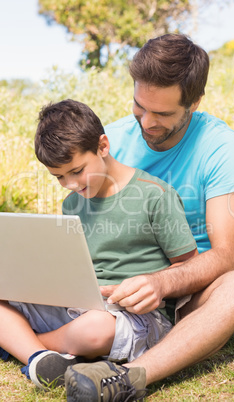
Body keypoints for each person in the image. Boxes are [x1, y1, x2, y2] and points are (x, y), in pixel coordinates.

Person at [63, 34, 234, 401]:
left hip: (190, 289)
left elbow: (226, 256)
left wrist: (160, 283)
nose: (148, 122)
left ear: (194, 102)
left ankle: (126, 379)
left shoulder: (219, 147)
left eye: (164, 114)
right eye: (140, 106)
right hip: (116, 288)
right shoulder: (114, 139)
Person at [0, 99, 198, 390]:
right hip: (80, 305)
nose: (70, 184)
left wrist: (153, 285)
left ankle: (27, 346)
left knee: (95, 329)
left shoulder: (155, 195)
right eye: (59, 177)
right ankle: (42, 357)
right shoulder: (72, 203)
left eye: (77, 171)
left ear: (102, 146)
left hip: (134, 316)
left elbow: (190, 266)